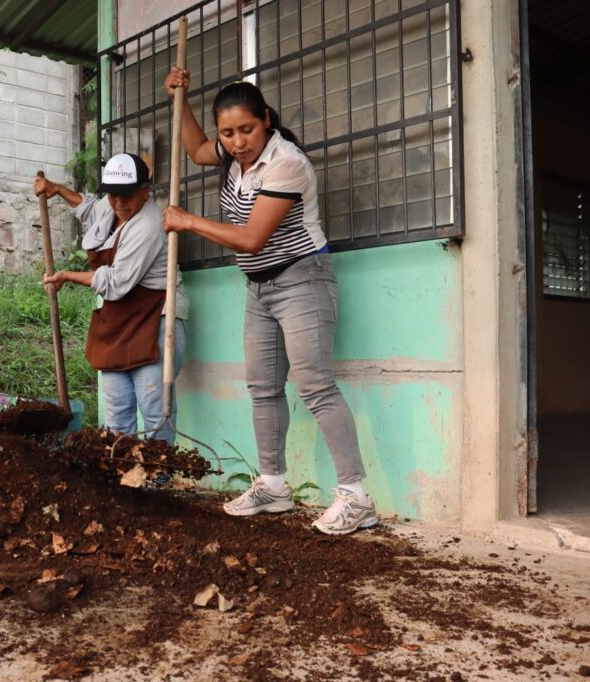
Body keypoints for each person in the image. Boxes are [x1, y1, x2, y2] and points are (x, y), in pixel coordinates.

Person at [162, 68, 378, 534]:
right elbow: (198, 149)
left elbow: (253, 238)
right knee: (262, 388)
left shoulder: (286, 163)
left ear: (266, 120)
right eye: (228, 133)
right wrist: (181, 99)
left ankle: (356, 496)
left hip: (302, 280)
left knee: (317, 387)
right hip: (259, 288)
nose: (237, 142)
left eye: (247, 130)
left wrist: (188, 221)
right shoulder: (231, 154)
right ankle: (273, 485)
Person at [36, 154, 189, 444]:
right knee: (117, 412)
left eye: (127, 195)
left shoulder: (150, 223)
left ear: (146, 189)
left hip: (156, 319)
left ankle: (160, 478)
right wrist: (57, 189)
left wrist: (67, 276)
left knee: (155, 409)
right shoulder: (112, 211)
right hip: (119, 321)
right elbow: (89, 208)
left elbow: (117, 282)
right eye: (113, 195)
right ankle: (121, 475)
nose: (119, 202)